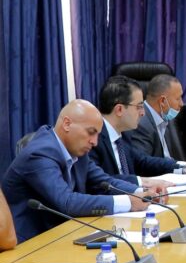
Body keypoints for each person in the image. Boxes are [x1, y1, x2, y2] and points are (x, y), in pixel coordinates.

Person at [2, 100, 157, 244]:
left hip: (62, 235)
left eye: (97, 135)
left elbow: (104, 182)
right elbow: (67, 202)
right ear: (67, 124)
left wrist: (141, 192)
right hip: (29, 244)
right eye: (91, 132)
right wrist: (128, 202)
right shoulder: (39, 154)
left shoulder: (76, 150)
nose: (94, 142)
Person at [90, 76, 186, 185]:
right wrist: (145, 183)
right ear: (119, 109)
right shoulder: (93, 139)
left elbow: (143, 161)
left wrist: (185, 167)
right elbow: (101, 181)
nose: (142, 113)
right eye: (139, 107)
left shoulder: (122, 135)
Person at [130, 74, 186, 161]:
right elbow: (144, 164)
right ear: (162, 101)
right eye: (178, 99)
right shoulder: (141, 123)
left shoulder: (165, 117)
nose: (181, 104)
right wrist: (183, 166)